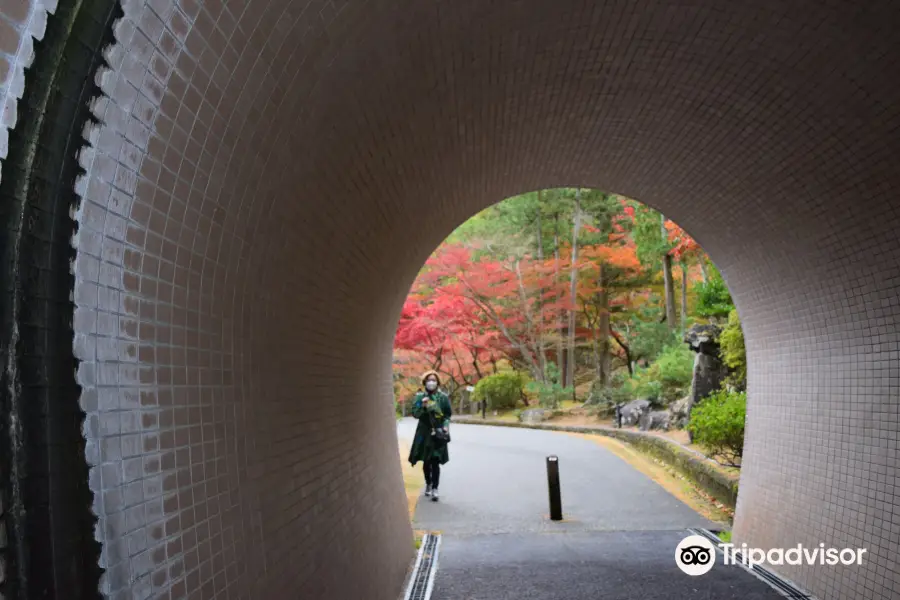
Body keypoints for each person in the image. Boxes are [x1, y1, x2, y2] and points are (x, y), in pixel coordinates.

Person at [408, 371, 452, 501]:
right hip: (424, 432)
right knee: (426, 461)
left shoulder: (443, 397)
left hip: (438, 431)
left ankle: (435, 488)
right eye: (429, 380)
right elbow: (415, 414)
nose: (431, 382)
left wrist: (445, 426)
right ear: (425, 382)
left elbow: (447, 415)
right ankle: (428, 483)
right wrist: (423, 405)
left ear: (437, 382)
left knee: (435, 460)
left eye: (434, 380)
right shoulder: (419, 397)